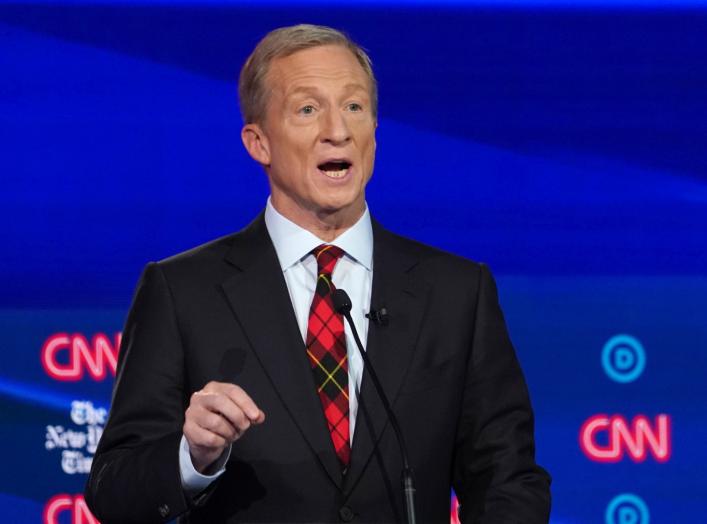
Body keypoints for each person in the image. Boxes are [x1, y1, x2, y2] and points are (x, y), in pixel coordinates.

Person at [85, 24, 551, 523]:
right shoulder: (182, 292)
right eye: (308, 109)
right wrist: (192, 459)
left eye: (354, 107)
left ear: (375, 130)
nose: (338, 129)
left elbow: (508, 480)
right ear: (258, 142)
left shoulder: (458, 293)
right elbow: (114, 490)